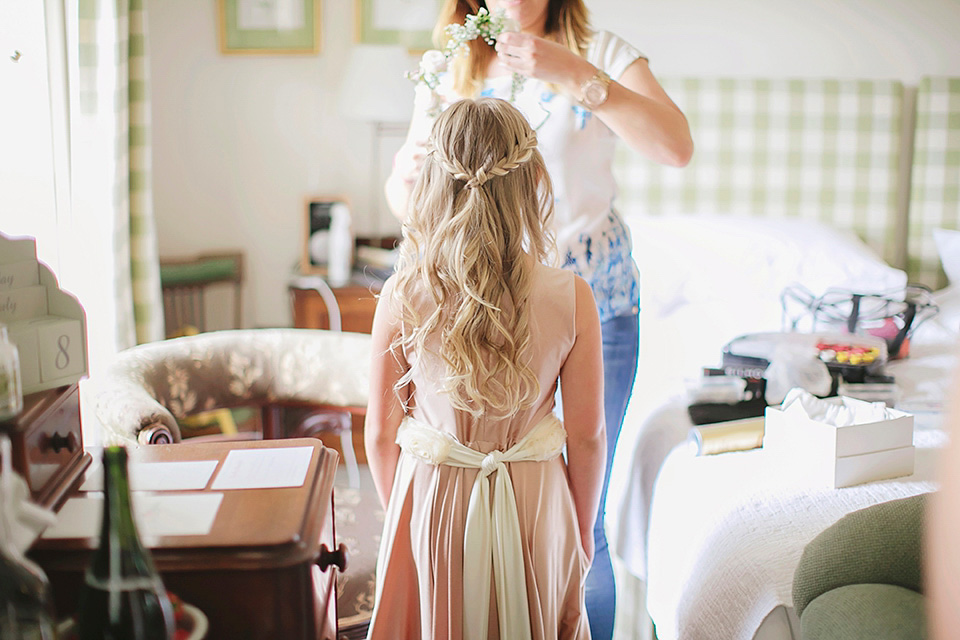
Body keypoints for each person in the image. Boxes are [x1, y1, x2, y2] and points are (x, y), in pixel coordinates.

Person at [383, 1, 693, 636]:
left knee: (586, 514)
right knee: (463, 478)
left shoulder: (599, 50)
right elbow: (407, 196)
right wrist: (402, 175)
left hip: (590, 307)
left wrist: (577, 74)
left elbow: (676, 147)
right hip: (468, 306)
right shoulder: (453, 60)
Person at [365, 97, 606, 640]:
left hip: (433, 499)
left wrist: (406, 512)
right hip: (535, 507)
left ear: (432, 183)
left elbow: (380, 435)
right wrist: (581, 528)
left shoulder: (402, 296)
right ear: (532, 183)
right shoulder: (571, 298)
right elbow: (587, 437)